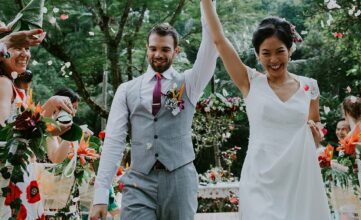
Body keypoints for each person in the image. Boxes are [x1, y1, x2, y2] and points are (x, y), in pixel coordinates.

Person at [192, 0, 330, 220]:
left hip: (298, 182)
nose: (274, 59)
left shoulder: (310, 87)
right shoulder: (249, 82)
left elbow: (314, 130)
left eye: (280, 51)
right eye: (266, 53)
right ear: (257, 55)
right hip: (260, 183)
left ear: (290, 50)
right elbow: (220, 41)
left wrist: (316, 135)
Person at [90, 15, 218, 219]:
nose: (158, 54)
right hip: (139, 180)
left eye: (165, 49)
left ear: (176, 51)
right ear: (147, 48)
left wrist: (205, 0)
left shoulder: (189, 83)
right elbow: (114, 141)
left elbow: (211, 47)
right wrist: (100, 195)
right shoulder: (126, 90)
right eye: (153, 48)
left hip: (179, 180)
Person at [0, 44, 75, 219]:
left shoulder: (15, 89)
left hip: (22, 176)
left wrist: (49, 120)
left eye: (27, 48)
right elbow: (3, 132)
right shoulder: (3, 83)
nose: (25, 53)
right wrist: (49, 105)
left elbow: (28, 137)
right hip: (10, 180)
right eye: (18, 47)